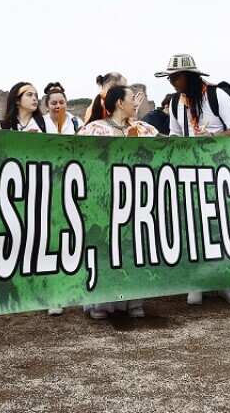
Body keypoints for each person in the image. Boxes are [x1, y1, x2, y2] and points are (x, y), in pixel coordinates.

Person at [155, 54, 230, 305]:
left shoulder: (217, 96)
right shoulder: (175, 103)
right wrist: (163, 140)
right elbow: (175, 134)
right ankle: (196, 282)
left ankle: (226, 281)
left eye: (176, 77)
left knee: (221, 226)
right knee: (194, 228)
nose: (172, 81)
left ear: (191, 76)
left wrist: (210, 140)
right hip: (189, 173)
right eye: (170, 77)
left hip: (219, 172)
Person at [78, 85, 159, 318]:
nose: (136, 103)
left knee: (134, 249)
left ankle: (134, 302)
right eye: (132, 99)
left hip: (136, 201)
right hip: (104, 202)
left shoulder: (143, 129)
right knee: (105, 250)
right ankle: (101, 304)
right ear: (119, 103)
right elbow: (76, 154)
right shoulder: (94, 129)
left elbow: (169, 144)